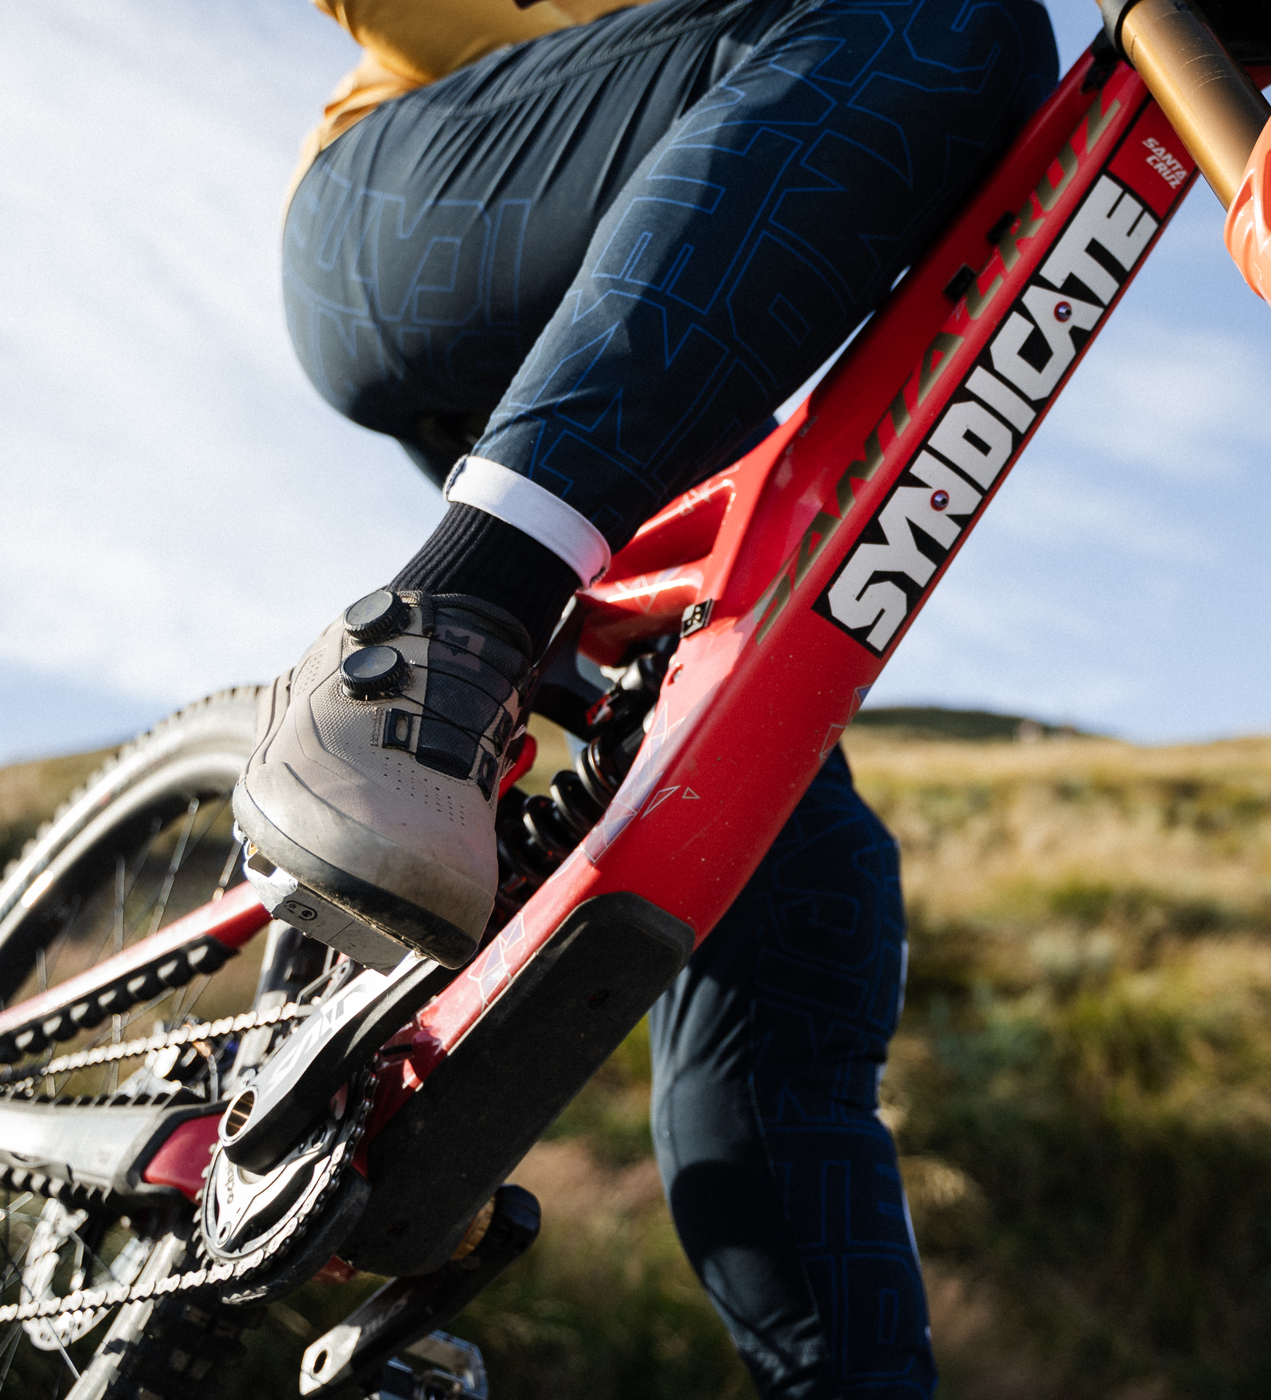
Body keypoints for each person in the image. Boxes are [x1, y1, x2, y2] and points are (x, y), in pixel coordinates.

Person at [235, 0, 1056, 1392]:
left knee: (789, 890)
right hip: (409, 212)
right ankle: (452, 616)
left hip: (657, 310)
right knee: (945, 20)